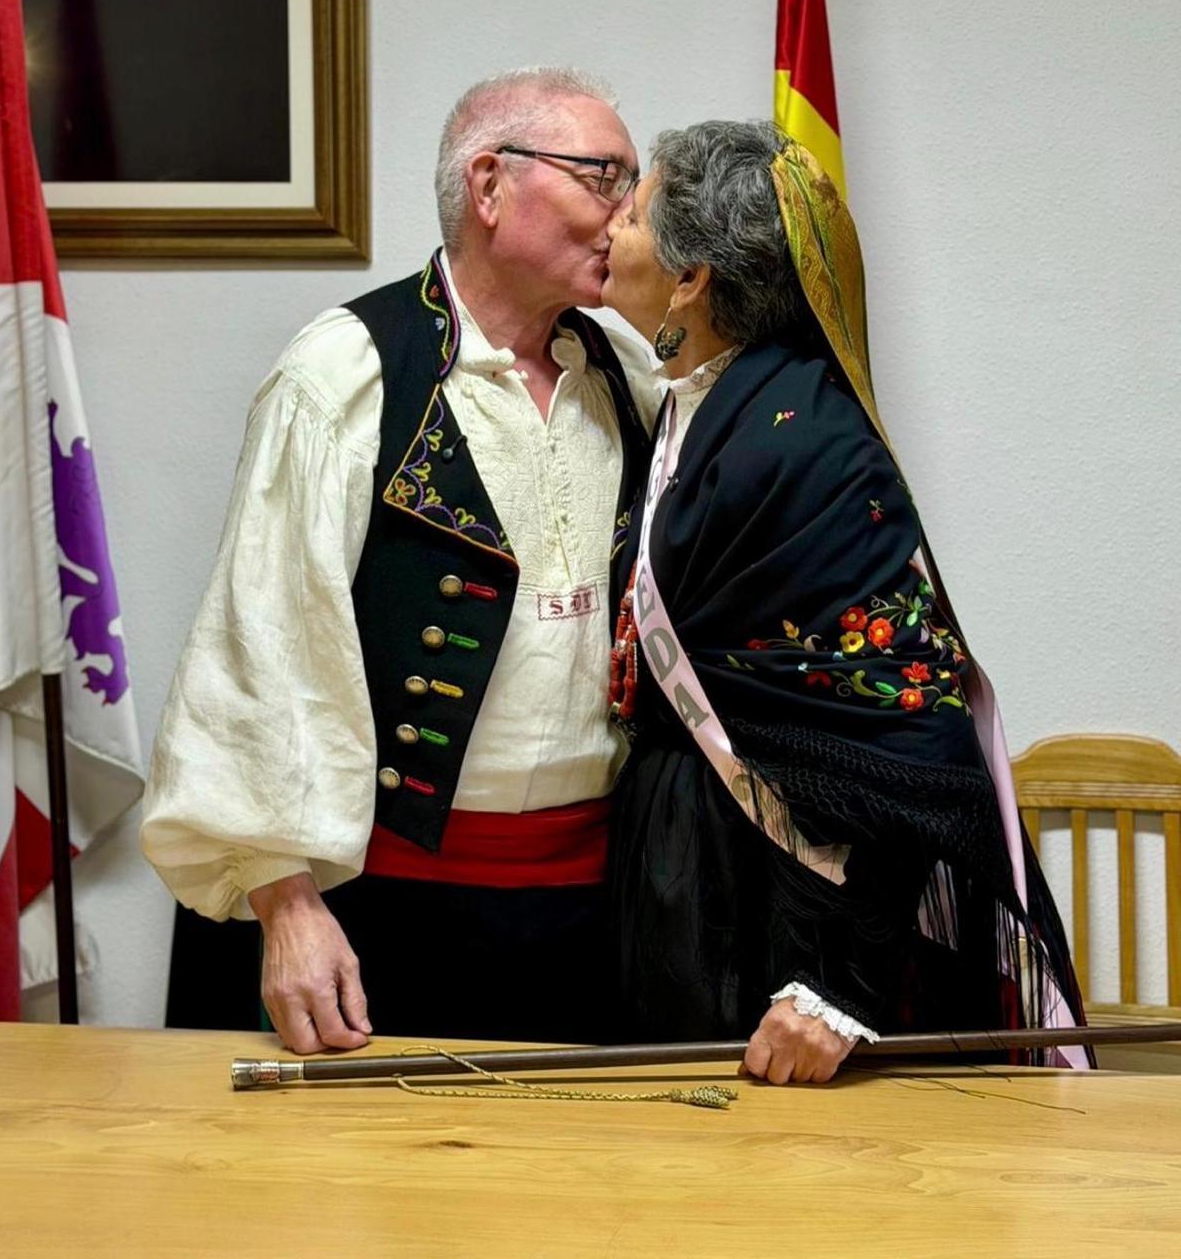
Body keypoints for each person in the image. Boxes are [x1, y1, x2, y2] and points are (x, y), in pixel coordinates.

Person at [142, 67, 659, 1053]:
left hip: (599, 915)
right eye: (602, 175)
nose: (625, 213)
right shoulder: (344, 373)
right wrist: (286, 905)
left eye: (632, 185)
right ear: (490, 184)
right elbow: (263, 645)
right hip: (392, 913)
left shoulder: (630, 376)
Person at [600, 119, 1088, 1085]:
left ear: (692, 278)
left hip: (782, 921)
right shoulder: (706, 400)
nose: (611, 226)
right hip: (687, 870)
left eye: (635, 210)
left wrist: (838, 985)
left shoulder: (806, 436)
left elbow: (909, 733)